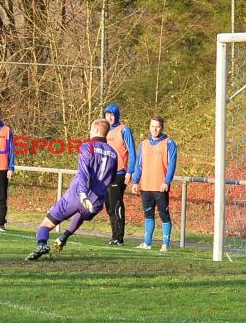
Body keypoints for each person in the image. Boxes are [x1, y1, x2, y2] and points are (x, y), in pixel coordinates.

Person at [26, 119, 117, 261]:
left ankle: (41, 244)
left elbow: (83, 173)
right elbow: (112, 178)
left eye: (91, 129)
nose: (89, 131)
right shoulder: (113, 153)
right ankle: (64, 237)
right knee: (81, 213)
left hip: (77, 195)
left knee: (46, 224)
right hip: (97, 201)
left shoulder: (87, 147)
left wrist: (82, 194)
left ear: (96, 130)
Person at [132, 115, 178, 252]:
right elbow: (138, 165)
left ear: (162, 127)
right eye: (152, 126)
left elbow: (172, 165)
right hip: (146, 186)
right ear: (149, 127)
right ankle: (147, 243)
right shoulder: (144, 144)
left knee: (164, 215)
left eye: (157, 126)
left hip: (160, 186)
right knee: (148, 215)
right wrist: (135, 181)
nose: (155, 129)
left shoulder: (169, 143)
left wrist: (166, 181)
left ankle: (165, 243)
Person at [103, 104, 136, 246]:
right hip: (105, 173)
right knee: (109, 205)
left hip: (119, 173)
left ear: (117, 115)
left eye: (112, 114)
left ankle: (119, 237)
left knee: (116, 204)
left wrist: (129, 171)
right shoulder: (103, 130)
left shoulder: (124, 130)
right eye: (107, 114)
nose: (109, 117)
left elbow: (132, 152)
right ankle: (114, 235)